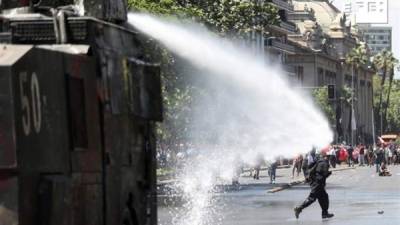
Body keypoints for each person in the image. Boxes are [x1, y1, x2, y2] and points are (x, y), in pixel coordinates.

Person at [294, 151, 334, 219]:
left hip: (317, 183)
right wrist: (328, 173)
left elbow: (314, 171)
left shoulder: (319, 161)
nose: (329, 158)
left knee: (324, 197)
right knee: (312, 198)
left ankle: (325, 213)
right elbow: (322, 174)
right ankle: (299, 208)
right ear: (327, 156)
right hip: (318, 183)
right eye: (329, 156)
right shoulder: (324, 162)